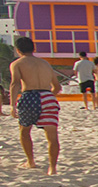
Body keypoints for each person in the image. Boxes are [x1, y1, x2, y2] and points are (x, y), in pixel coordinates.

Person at [8, 36, 61, 173]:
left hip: (29, 96)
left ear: (18, 50)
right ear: (34, 49)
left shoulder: (17, 64)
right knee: (52, 136)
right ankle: (52, 168)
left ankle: (30, 161)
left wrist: (12, 104)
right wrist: (47, 98)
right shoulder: (45, 64)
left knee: (25, 131)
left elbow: (15, 84)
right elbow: (57, 86)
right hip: (47, 96)